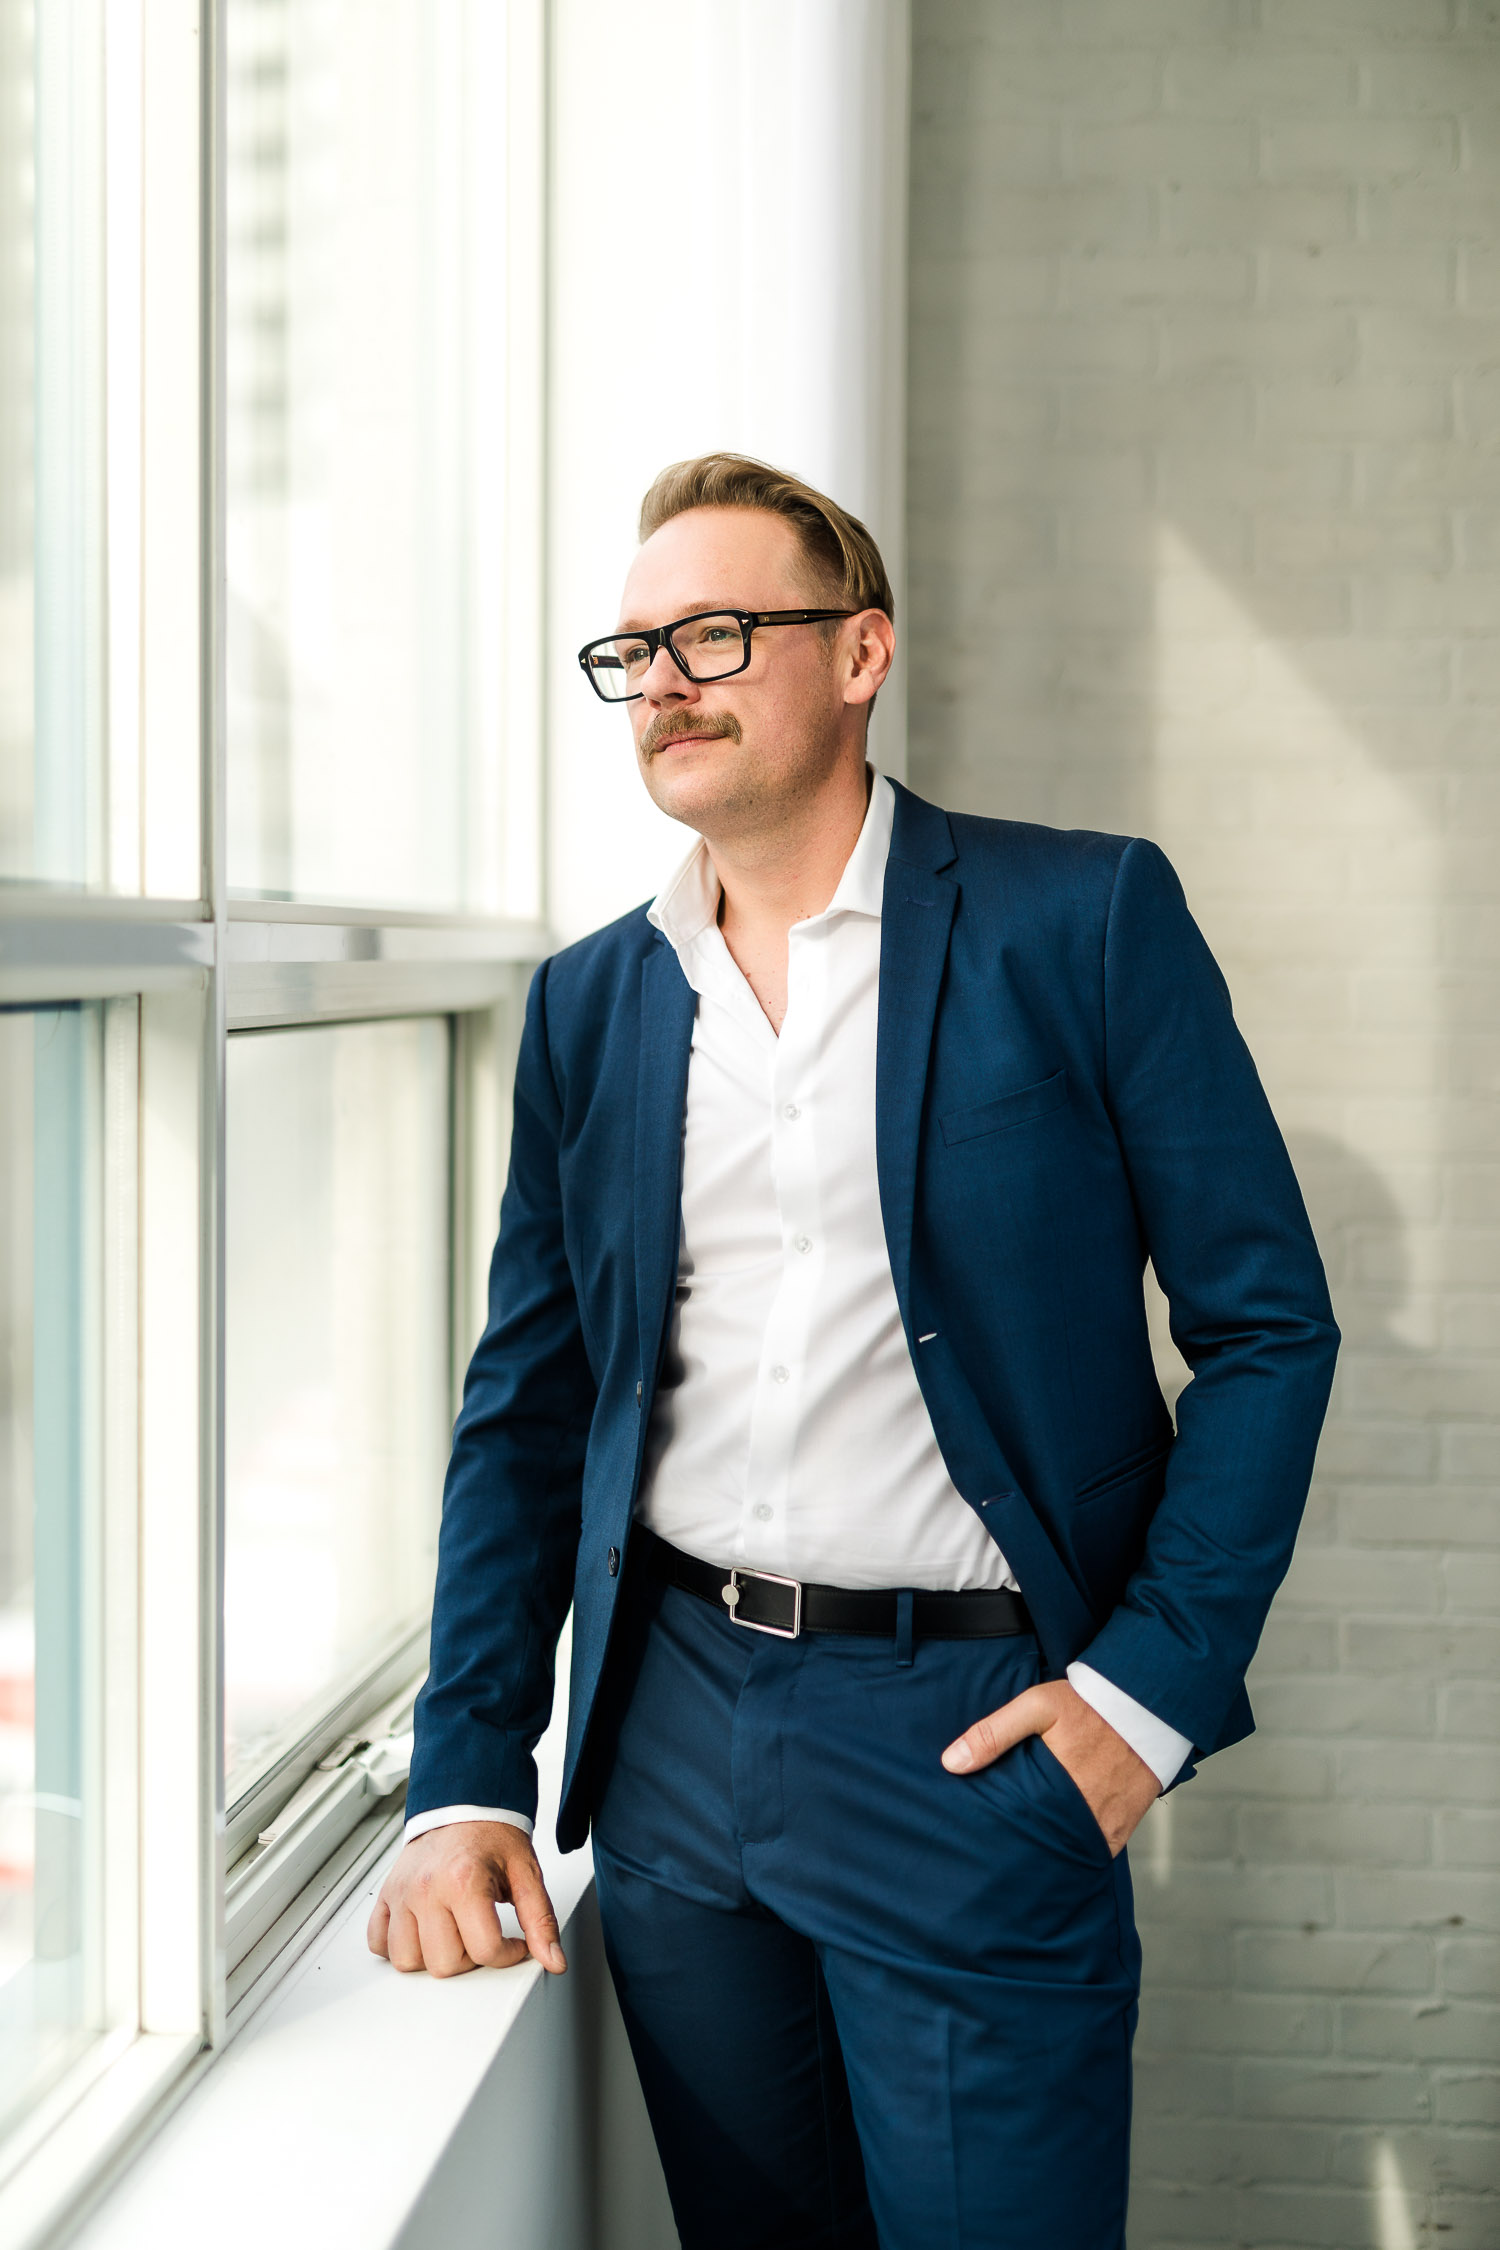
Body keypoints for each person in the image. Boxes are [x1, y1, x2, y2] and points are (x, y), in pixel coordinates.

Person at [368, 454, 1339, 2248]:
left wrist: (1143, 1702)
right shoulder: (593, 1000)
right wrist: (461, 1774)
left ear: (863, 650)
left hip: (968, 1737)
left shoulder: (1084, 920)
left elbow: (1271, 1326)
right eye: (635, 647)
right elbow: (531, 1408)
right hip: (673, 1736)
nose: (662, 678)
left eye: (717, 634)